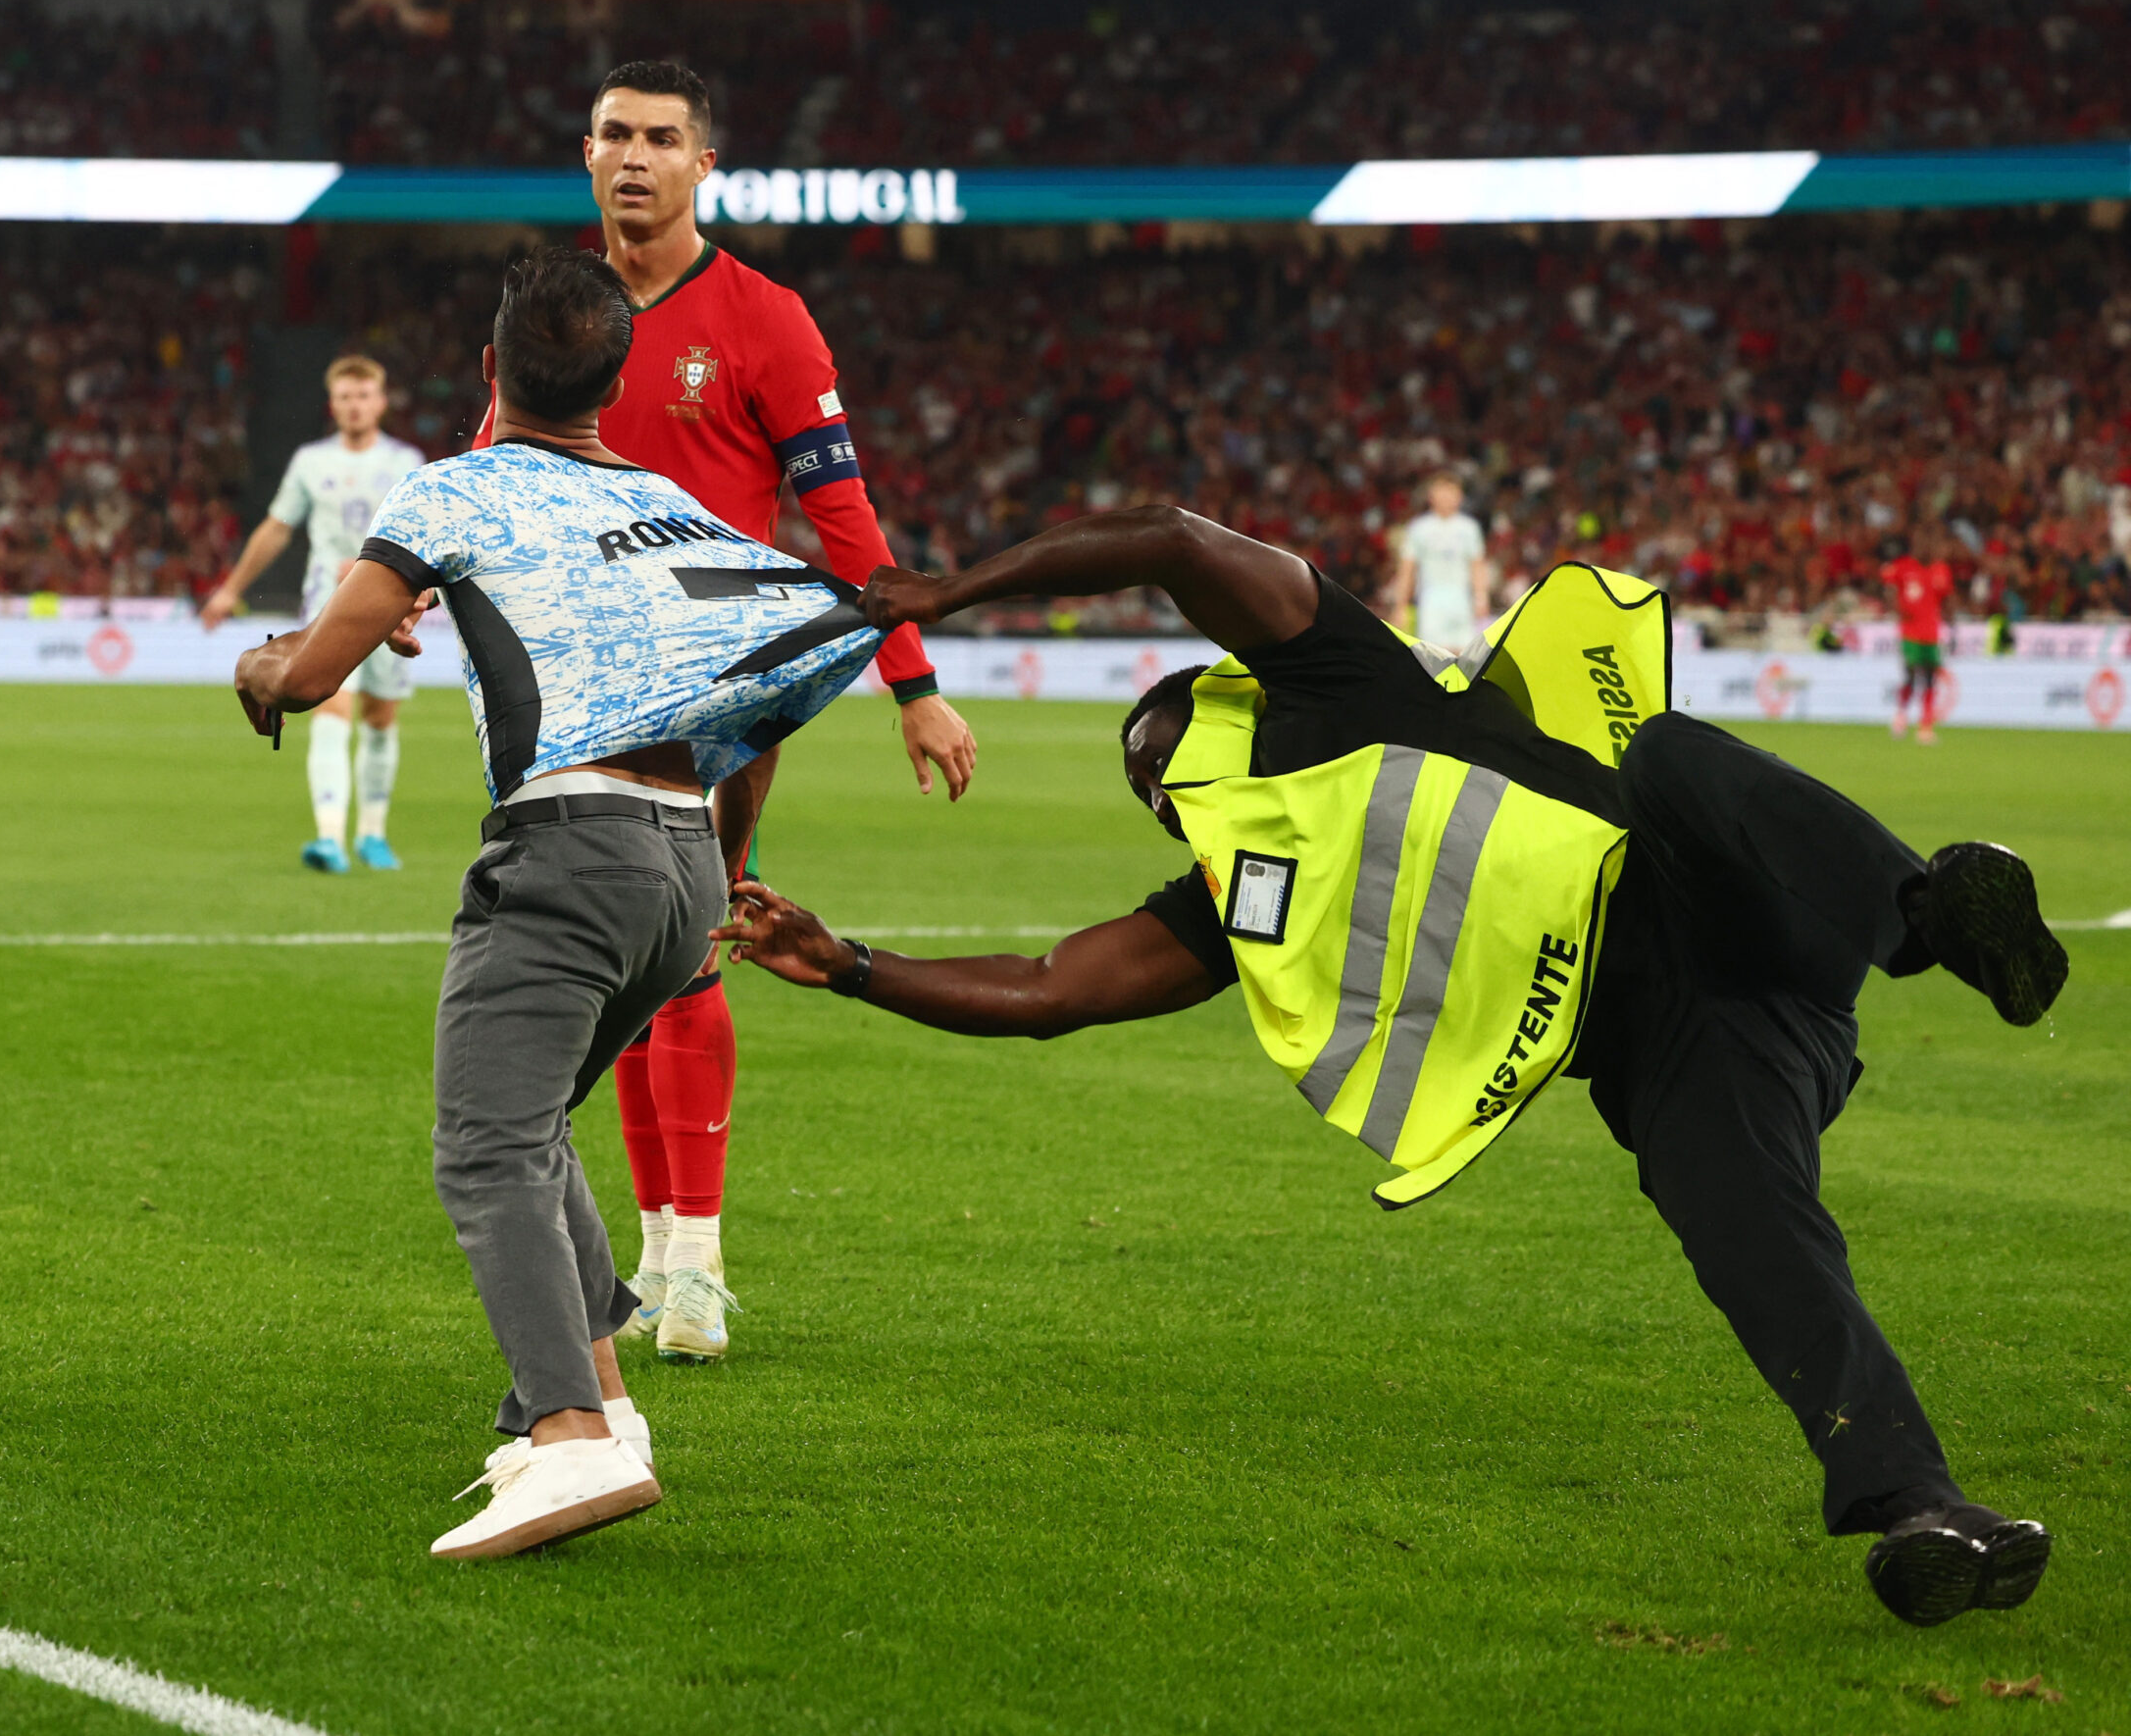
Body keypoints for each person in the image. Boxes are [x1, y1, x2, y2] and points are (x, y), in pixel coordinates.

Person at [714, 503, 2070, 1627]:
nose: (1155, 771)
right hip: (1676, 1050)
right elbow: (1050, 990)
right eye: (1149, 782)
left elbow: (1168, 541)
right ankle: (1924, 1510)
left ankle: (1930, 918)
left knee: (1667, 755)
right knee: (1754, 1242)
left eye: (1163, 739)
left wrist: (954, 589)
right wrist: (850, 967)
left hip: (1711, 897)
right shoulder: (1235, 895)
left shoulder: (1341, 676)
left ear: (1223, 686)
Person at [232, 247, 884, 1560]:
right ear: (619, 377)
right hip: (685, 859)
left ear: (489, 371)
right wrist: (728, 866)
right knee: (535, 1129)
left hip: (565, 853)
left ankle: (571, 1439)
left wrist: (259, 662)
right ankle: (604, 1401)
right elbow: (774, 693)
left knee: (483, 1145)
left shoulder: (455, 486)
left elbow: (310, 676)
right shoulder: (678, 504)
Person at [473, 59, 980, 1365]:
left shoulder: (764, 319)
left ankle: (692, 1261)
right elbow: (498, 460)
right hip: (574, 686)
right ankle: (654, 1250)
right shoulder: (559, 312)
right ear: (584, 156)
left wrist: (911, 686)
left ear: (706, 166)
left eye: (661, 138)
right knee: (619, 966)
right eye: (614, 136)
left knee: (688, 943)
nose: (634, 157)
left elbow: (846, 520)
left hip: (714, 690)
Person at [203, 355, 426, 872]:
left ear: (381, 401)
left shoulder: (405, 461)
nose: (354, 405)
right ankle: (329, 837)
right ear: (333, 405)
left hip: (389, 601)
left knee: (379, 715)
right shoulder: (311, 461)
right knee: (331, 709)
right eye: (345, 397)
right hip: (326, 598)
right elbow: (277, 527)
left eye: (363, 395)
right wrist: (230, 588)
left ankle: (372, 833)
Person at [1390, 472, 1490, 652]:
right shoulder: (1419, 528)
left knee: (1464, 654)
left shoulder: (1469, 528)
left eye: (1451, 492)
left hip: (1461, 600)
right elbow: (1407, 569)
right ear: (1431, 495)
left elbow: (1477, 565)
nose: (1446, 497)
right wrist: (1400, 606)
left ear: (1460, 496)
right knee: (1432, 655)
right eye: (1442, 491)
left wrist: (1481, 597)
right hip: (1431, 600)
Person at [1882, 528, 1956, 744]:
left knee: (1931, 679)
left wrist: (1952, 627)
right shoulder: (1904, 567)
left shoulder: (1940, 570)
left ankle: (1925, 726)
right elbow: (1887, 587)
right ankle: (1901, 716)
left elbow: (1948, 599)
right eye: (1923, 543)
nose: (1927, 548)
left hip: (1932, 634)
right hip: (1910, 633)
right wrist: (1896, 607)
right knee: (1912, 676)